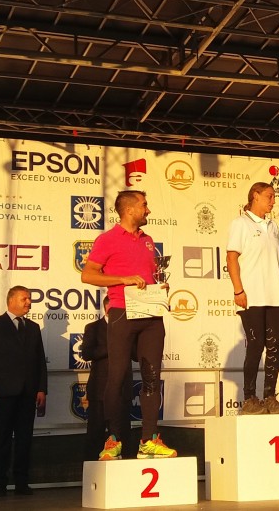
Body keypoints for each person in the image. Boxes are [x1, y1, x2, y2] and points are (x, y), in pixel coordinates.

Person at [81, 190, 176, 461]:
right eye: (145, 205)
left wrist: (160, 288)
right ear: (130, 209)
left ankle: (149, 439)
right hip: (122, 311)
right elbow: (88, 275)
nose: (148, 210)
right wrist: (123, 279)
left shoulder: (148, 240)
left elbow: (148, 277)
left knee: (151, 376)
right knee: (118, 375)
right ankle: (114, 439)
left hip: (151, 313)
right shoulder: (107, 239)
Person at [227, 182, 279, 415]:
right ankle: (249, 398)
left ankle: (269, 396)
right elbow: (232, 258)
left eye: (274, 197)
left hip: (275, 296)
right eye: (269, 196)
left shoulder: (273, 226)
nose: (273, 201)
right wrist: (238, 290)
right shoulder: (240, 223)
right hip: (252, 296)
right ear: (255, 196)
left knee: (275, 347)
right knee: (255, 345)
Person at [0, 286, 47, 497]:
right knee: (2, 439)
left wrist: (41, 389)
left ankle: (21, 482)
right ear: (11, 300)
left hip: (27, 394)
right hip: (3, 394)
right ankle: (0, 483)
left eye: (29, 299)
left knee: (25, 439)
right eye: (24, 298)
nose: (29, 302)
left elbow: (40, 361)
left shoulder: (33, 328)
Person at [81, 296, 133, 460]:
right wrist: (112, 346)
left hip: (122, 389)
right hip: (100, 390)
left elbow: (135, 354)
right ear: (107, 308)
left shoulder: (130, 327)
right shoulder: (93, 327)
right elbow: (87, 353)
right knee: (95, 433)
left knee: (123, 433)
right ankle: (92, 470)